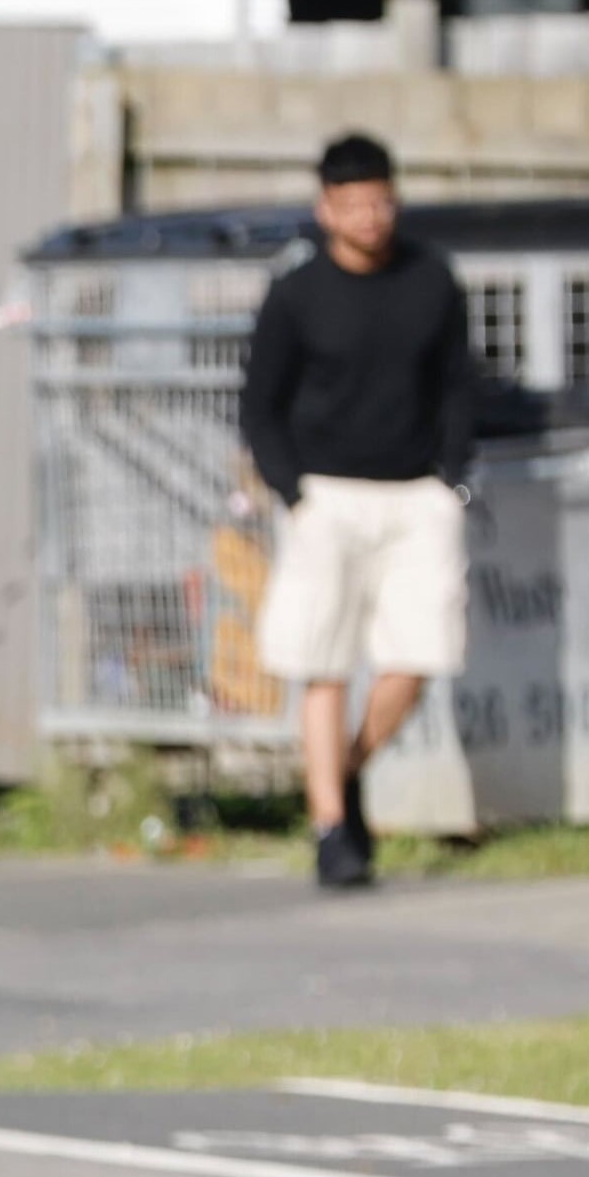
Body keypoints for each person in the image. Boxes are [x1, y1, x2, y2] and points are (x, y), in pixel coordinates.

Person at [238, 131, 477, 891]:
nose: (371, 217)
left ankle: (343, 773)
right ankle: (333, 826)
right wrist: (293, 489)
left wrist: (451, 473)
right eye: (354, 204)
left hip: (415, 493)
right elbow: (260, 403)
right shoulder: (297, 293)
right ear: (326, 210)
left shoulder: (432, 280)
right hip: (325, 494)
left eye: (381, 200)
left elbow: (457, 386)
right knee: (323, 662)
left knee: (421, 652)